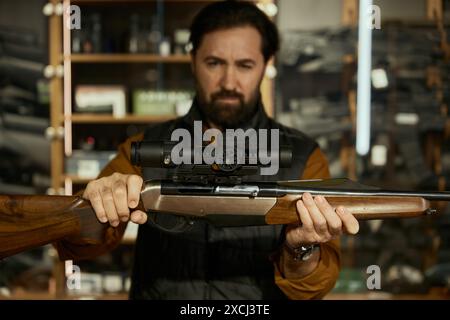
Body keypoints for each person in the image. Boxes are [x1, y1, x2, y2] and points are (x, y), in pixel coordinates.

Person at [55, 0, 359, 300]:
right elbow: (82, 246)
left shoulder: (303, 157)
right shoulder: (144, 149)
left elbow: (313, 288)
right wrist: (102, 200)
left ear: (266, 65)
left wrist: (300, 247)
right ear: (193, 61)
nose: (229, 82)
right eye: (214, 63)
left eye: (245, 65)